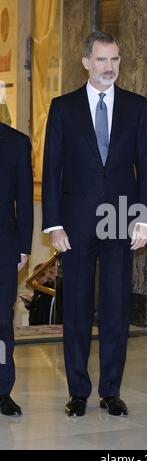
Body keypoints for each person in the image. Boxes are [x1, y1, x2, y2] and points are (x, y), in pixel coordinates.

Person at [42, 31, 147, 417]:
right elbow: (52, 168)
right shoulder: (62, 107)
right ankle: (77, 392)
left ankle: (111, 390)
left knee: (116, 310)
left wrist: (144, 218)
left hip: (121, 220)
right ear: (86, 62)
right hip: (74, 225)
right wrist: (53, 225)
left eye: (116, 60)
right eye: (103, 60)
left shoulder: (137, 106)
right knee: (75, 310)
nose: (110, 67)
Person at [0, 122, 33, 416]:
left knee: (0, 322)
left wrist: (23, 247)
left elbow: (24, 199)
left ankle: (2, 390)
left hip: (3, 246)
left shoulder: (15, 142)